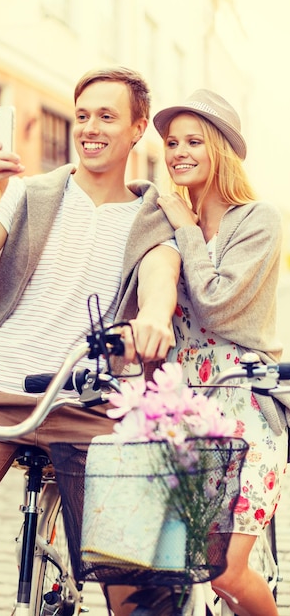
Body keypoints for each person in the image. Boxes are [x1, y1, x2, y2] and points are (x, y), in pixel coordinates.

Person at [0, 66, 180, 616]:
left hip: (90, 407)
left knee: (138, 597)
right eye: (82, 115)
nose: (89, 127)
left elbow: (160, 283)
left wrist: (154, 320)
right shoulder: (28, 194)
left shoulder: (153, 214)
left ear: (138, 128)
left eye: (107, 116)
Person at [153, 89, 288, 616]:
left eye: (194, 141)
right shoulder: (167, 224)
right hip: (185, 417)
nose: (178, 151)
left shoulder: (259, 219)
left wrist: (186, 228)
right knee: (184, 568)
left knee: (228, 571)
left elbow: (216, 305)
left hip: (246, 415)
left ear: (221, 150)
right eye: (170, 142)